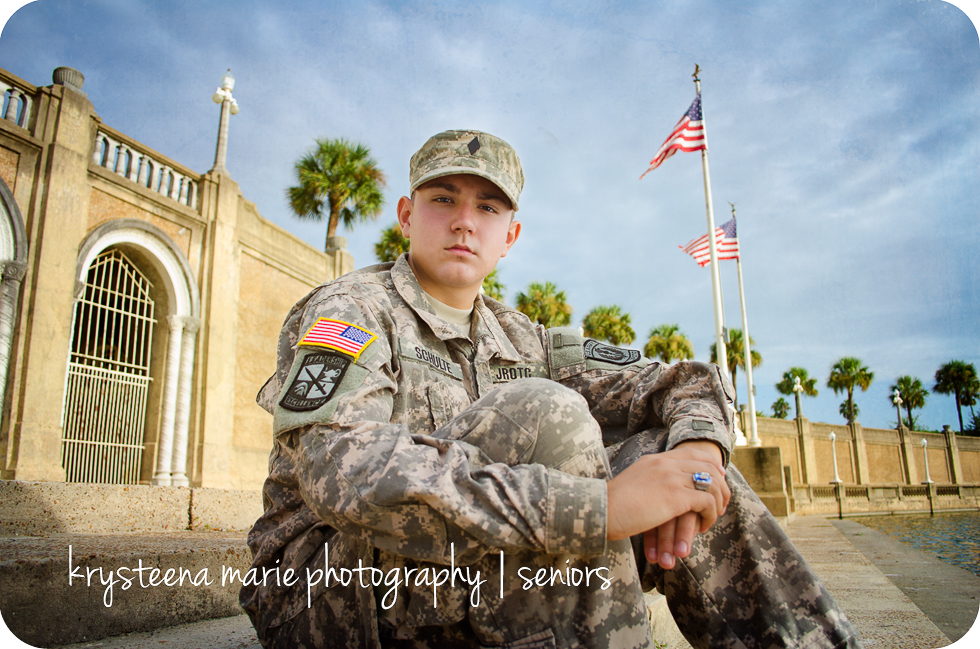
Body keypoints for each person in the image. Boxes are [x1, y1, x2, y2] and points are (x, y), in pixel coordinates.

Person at [241, 129, 862, 648]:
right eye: (442, 200)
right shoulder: (349, 312)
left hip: (469, 575)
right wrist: (599, 509)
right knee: (544, 411)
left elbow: (680, 379)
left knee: (666, 467)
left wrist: (699, 454)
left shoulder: (526, 339)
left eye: (488, 208)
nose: (464, 222)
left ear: (510, 236)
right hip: (325, 592)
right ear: (407, 215)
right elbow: (342, 473)